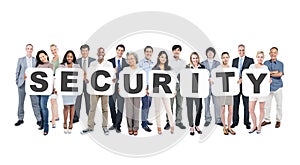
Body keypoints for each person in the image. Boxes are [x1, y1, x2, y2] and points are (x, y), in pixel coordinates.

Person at [81, 47, 113, 135]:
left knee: (105, 108)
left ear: (104, 54)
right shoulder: (93, 64)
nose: (101, 54)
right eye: (99, 52)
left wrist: (113, 80)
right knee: (92, 108)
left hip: (105, 90)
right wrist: (87, 79)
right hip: (94, 89)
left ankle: (105, 126)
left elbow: (111, 76)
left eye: (102, 52)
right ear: (97, 54)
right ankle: (90, 126)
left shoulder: (109, 64)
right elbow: (89, 75)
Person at [15, 44, 42, 127]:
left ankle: (39, 119)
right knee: (21, 102)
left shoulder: (35, 60)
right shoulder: (21, 60)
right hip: (22, 83)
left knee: (35, 102)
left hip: (33, 84)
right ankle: (20, 119)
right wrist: (18, 81)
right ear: (26, 49)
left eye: (31, 49)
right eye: (28, 49)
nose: (29, 50)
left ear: (32, 50)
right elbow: (17, 71)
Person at [231, 44, 254, 129]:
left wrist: (242, 79)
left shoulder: (250, 60)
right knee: (235, 104)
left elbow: (251, 73)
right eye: (240, 50)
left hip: (246, 86)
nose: (241, 52)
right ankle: (235, 122)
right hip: (236, 85)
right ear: (238, 51)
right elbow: (233, 73)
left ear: (245, 50)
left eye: (243, 50)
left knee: (246, 104)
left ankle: (247, 122)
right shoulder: (234, 60)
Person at [108, 44, 129, 133]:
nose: (120, 52)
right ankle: (114, 123)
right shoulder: (109, 62)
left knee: (120, 107)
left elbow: (127, 76)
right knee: (112, 106)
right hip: (111, 88)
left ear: (123, 52)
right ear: (116, 50)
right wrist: (113, 71)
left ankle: (118, 126)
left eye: (122, 50)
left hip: (121, 88)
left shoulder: (126, 62)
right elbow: (106, 76)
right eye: (118, 50)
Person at [152, 51, 175, 135]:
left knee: (168, 109)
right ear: (158, 57)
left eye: (165, 57)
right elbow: (151, 81)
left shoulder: (169, 68)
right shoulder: (154, 68)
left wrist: (174, 90)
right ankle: (158, 126)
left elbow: (172, 80)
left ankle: (172, 125)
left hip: (166, 91)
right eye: (162, 57)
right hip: (157, 91)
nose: (163, 59)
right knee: (157, 109)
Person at [261, 47, 284, 128]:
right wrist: (274, 72)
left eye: (275, 52)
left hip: (278, 87)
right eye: (271, 52)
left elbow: (280, 74)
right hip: (268, 87)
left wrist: (269, 73)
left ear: (277, 53)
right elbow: (264, 73)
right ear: (269, 53)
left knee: (279, 105)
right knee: (267, 105)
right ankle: (267, 120)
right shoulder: (266, 63)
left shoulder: (280, 64)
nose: (273, 54)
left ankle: (278, 120)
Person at [248, 51, 270, 134]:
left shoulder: (265, 67)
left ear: (263, 58)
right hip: (253, 91)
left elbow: (266, 78)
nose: (260, 58)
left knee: (261, 109)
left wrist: (269, 81)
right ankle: (254, 125)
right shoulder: (252, 66)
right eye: (258, 57)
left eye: (261, 57)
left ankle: (259, 125)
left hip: (261, 91)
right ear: (256, 57)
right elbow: (248, 77)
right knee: (251, 109)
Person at [166, 45, 186, 130]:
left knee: (179, 104)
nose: (176, 51)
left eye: (178, 50)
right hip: (170, 84)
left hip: (181, 85)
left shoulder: (184, 62)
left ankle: (178, 121)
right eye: (175, 50)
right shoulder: (168, 61)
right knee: (169, 105)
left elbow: (185, 73)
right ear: (172, 51)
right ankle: (168, 122)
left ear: (180, 51)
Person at [74, 44, 96, 123]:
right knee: (77, 102)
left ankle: (90, 119)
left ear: (88, 51)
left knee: (89, 102)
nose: (84, 52)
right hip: (79, 84)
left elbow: (95, 73)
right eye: (83, 51)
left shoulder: (93, 61)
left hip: (89, 84)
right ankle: (76, 117)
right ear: (81, 52)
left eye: (86, 51)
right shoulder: (77, 61)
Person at [59, 50, 80, 134]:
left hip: (74, 88)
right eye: (68, 56)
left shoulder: (77, 66)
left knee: (72, 105)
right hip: (65, 89)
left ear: (73, 57)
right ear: (66, 57)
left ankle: (71, 123)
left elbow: (81, 75)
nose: (69, 58)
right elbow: (58, 76)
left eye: (71, 56)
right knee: (66, 106)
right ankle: (65, 122)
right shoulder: (61, 66)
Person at [201, 47, 222, 127]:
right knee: (206, 103)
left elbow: (219, 75)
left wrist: (213, 79)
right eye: (208, 52)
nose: (210, 53)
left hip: (215, 86)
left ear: (214, 54)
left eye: (211, 52)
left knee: (217, 103)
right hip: (205, 86)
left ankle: (218, 119)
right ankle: (207, 119)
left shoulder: (217, 63)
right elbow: (201, 74)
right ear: (206, 54)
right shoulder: (202, 63)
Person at [216, 52, 236, 135]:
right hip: (222, 92)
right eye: (223, 57)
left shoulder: (231, 68)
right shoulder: (218, 68)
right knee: (223, 110)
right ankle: (224, 127)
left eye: (227, 57)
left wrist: (238, 81)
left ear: (229, 58)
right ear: (221, 58)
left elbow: (233, 81)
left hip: (229, 91)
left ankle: (229, 127)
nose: (225, 59)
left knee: (231, 110)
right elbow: (216, 79)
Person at [186, 52, 205, 136]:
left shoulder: (202, 67)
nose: (195, 60)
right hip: (189, 91)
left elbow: (205, 78)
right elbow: (184, 78)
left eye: (196, 58)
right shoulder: (187, 67)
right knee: (189, 108)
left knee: (199, 108)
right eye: (193, 58)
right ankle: (191, 126)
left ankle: (197, 125)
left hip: (199, 92)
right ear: (191, 59)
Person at [124, 51, 143, 136]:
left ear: (136, 59)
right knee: (129, 110)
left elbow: (143, 81)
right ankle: (129, 127)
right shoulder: (125, 70)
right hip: (128, 92)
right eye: (128, 59)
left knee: (136, 110)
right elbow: (122, 81)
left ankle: (135, 128)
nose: (130, 60)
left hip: (137, 92)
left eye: (132, 58)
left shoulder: (140, 70)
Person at [35, 50, 54, 135]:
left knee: (43, 106)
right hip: (37, 89)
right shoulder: (38, 65)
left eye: (43, 56)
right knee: (39, 106)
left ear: (46, 55)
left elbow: (51, 78)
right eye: (40, 57)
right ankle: (42, 124)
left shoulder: (50, 65)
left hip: (46, 89)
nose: (42, 58)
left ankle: (46, 127)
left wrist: (53, 89)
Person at [138, 46, 154, 132]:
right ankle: (144, 124)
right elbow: (138, 75)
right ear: (144, 53)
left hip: (151, 87)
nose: (148, 53)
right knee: (145, 105)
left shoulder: (154, 63)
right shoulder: (140, 63)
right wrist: (143, 87)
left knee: (149, 104)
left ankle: (146, 119)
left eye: (150, 51)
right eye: (147, 51)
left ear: (152, 53)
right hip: (144, 87)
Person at [49, 44, 60, 128]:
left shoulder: (60, 58)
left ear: (57, 49)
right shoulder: (52, 59)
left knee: (53, 100)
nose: (53, 51)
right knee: (53, 100)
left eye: (54, 49)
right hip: (52, 80)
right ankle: (56, 116)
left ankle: (53, 121)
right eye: (52, 50)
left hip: (57, 80)